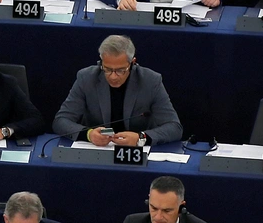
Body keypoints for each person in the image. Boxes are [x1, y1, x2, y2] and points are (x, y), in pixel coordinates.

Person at [52, 35, 183, 145]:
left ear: (132, 63)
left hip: (136, 153)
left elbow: (174, 127)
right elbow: (61, 121)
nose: (113, 76)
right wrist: (89, 134)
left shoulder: (151, 81)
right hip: (96, 150)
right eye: (107, 69)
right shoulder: (86, 78)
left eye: (120, 70)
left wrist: (140, 138)